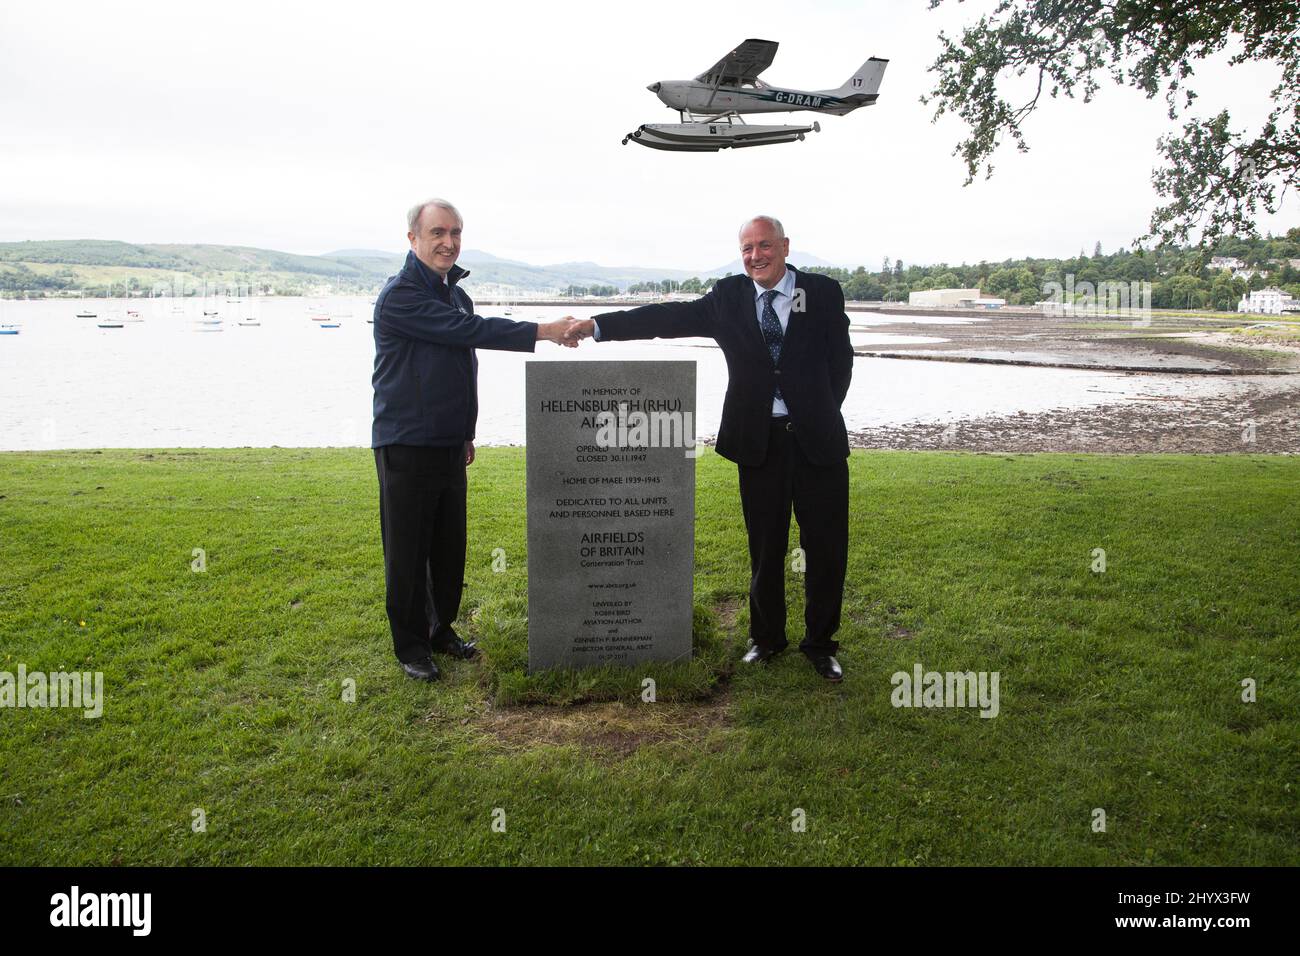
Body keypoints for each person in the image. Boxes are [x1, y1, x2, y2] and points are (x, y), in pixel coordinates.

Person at [566, 215, 853, 681]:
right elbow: (665, 317)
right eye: (746, 248)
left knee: (825, 548)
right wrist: (596, 325)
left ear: (784, 246)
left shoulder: (821, 293)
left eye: (763, 246)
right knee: (765, 547)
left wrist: (818, 411)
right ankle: (767, 639)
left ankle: (821, 643)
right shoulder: (729, 298)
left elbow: (842, 361)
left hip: (817, 444)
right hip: (758, 443)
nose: (755, 256)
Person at [373, 197, 576, 681]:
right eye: (438, 233)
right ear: (413, 239)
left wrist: (466, 431)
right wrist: (543, 330)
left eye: (456, 233)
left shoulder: (455, 294)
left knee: (448, 546)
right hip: (404, 442)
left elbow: (463, 367)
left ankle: (440, 628)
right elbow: (468, 332)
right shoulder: (401, 295)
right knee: (407, 551)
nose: (448, 242)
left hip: (447, 441)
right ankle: (411, 647)